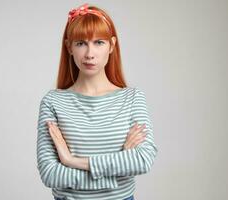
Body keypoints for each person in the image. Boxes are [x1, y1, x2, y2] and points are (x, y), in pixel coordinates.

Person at [36, 3, 158, 200]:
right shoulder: (53, 102)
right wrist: (118, 169)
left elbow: (144, 159)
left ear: (111, 45)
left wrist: (71, 160)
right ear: (69, 47)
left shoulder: (133, 98)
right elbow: (50, 174)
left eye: (99, 42)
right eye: (81, 43)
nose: (89, 53)